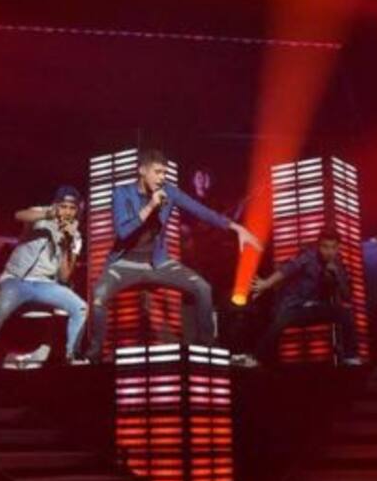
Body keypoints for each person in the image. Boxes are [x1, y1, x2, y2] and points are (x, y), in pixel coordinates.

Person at [84, 149, 263, 362]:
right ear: (142, 170)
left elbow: (201, 211)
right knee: (98, 296)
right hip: (124, 264)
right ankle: (94, 354)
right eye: (157, 172)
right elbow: (123, 231)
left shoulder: (169, 191)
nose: (162, 178)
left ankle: (207, 349)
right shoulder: (122, 193)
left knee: (203, 288)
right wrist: (151, 205)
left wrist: (236, 228)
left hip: (158, 264)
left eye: (164, 173)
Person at [0, 186, 89, 365]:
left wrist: (67, 245)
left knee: (81, 308)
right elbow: (19, 215)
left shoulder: (76, 237)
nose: (68, 212)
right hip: (16, 279)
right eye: (64, 206)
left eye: (72, 208)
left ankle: (72, 354)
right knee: (3, 308)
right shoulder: (41, 214)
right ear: (55, 205)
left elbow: (64, 277)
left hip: (45, 284)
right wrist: (49, 214)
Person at [233, 228, 361, 367]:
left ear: (338, 248)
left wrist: (336, 277)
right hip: (294, 307)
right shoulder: (309, 256)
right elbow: (287, 270)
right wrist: (266, 284)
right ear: (319, 246)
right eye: (325, 247)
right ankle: (254, 358)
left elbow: (347, 296)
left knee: (345, 313)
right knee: (280, 321)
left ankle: (351, 357)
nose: (329, 251)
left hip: (314, 308)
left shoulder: (338, 263)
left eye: (333, 247)